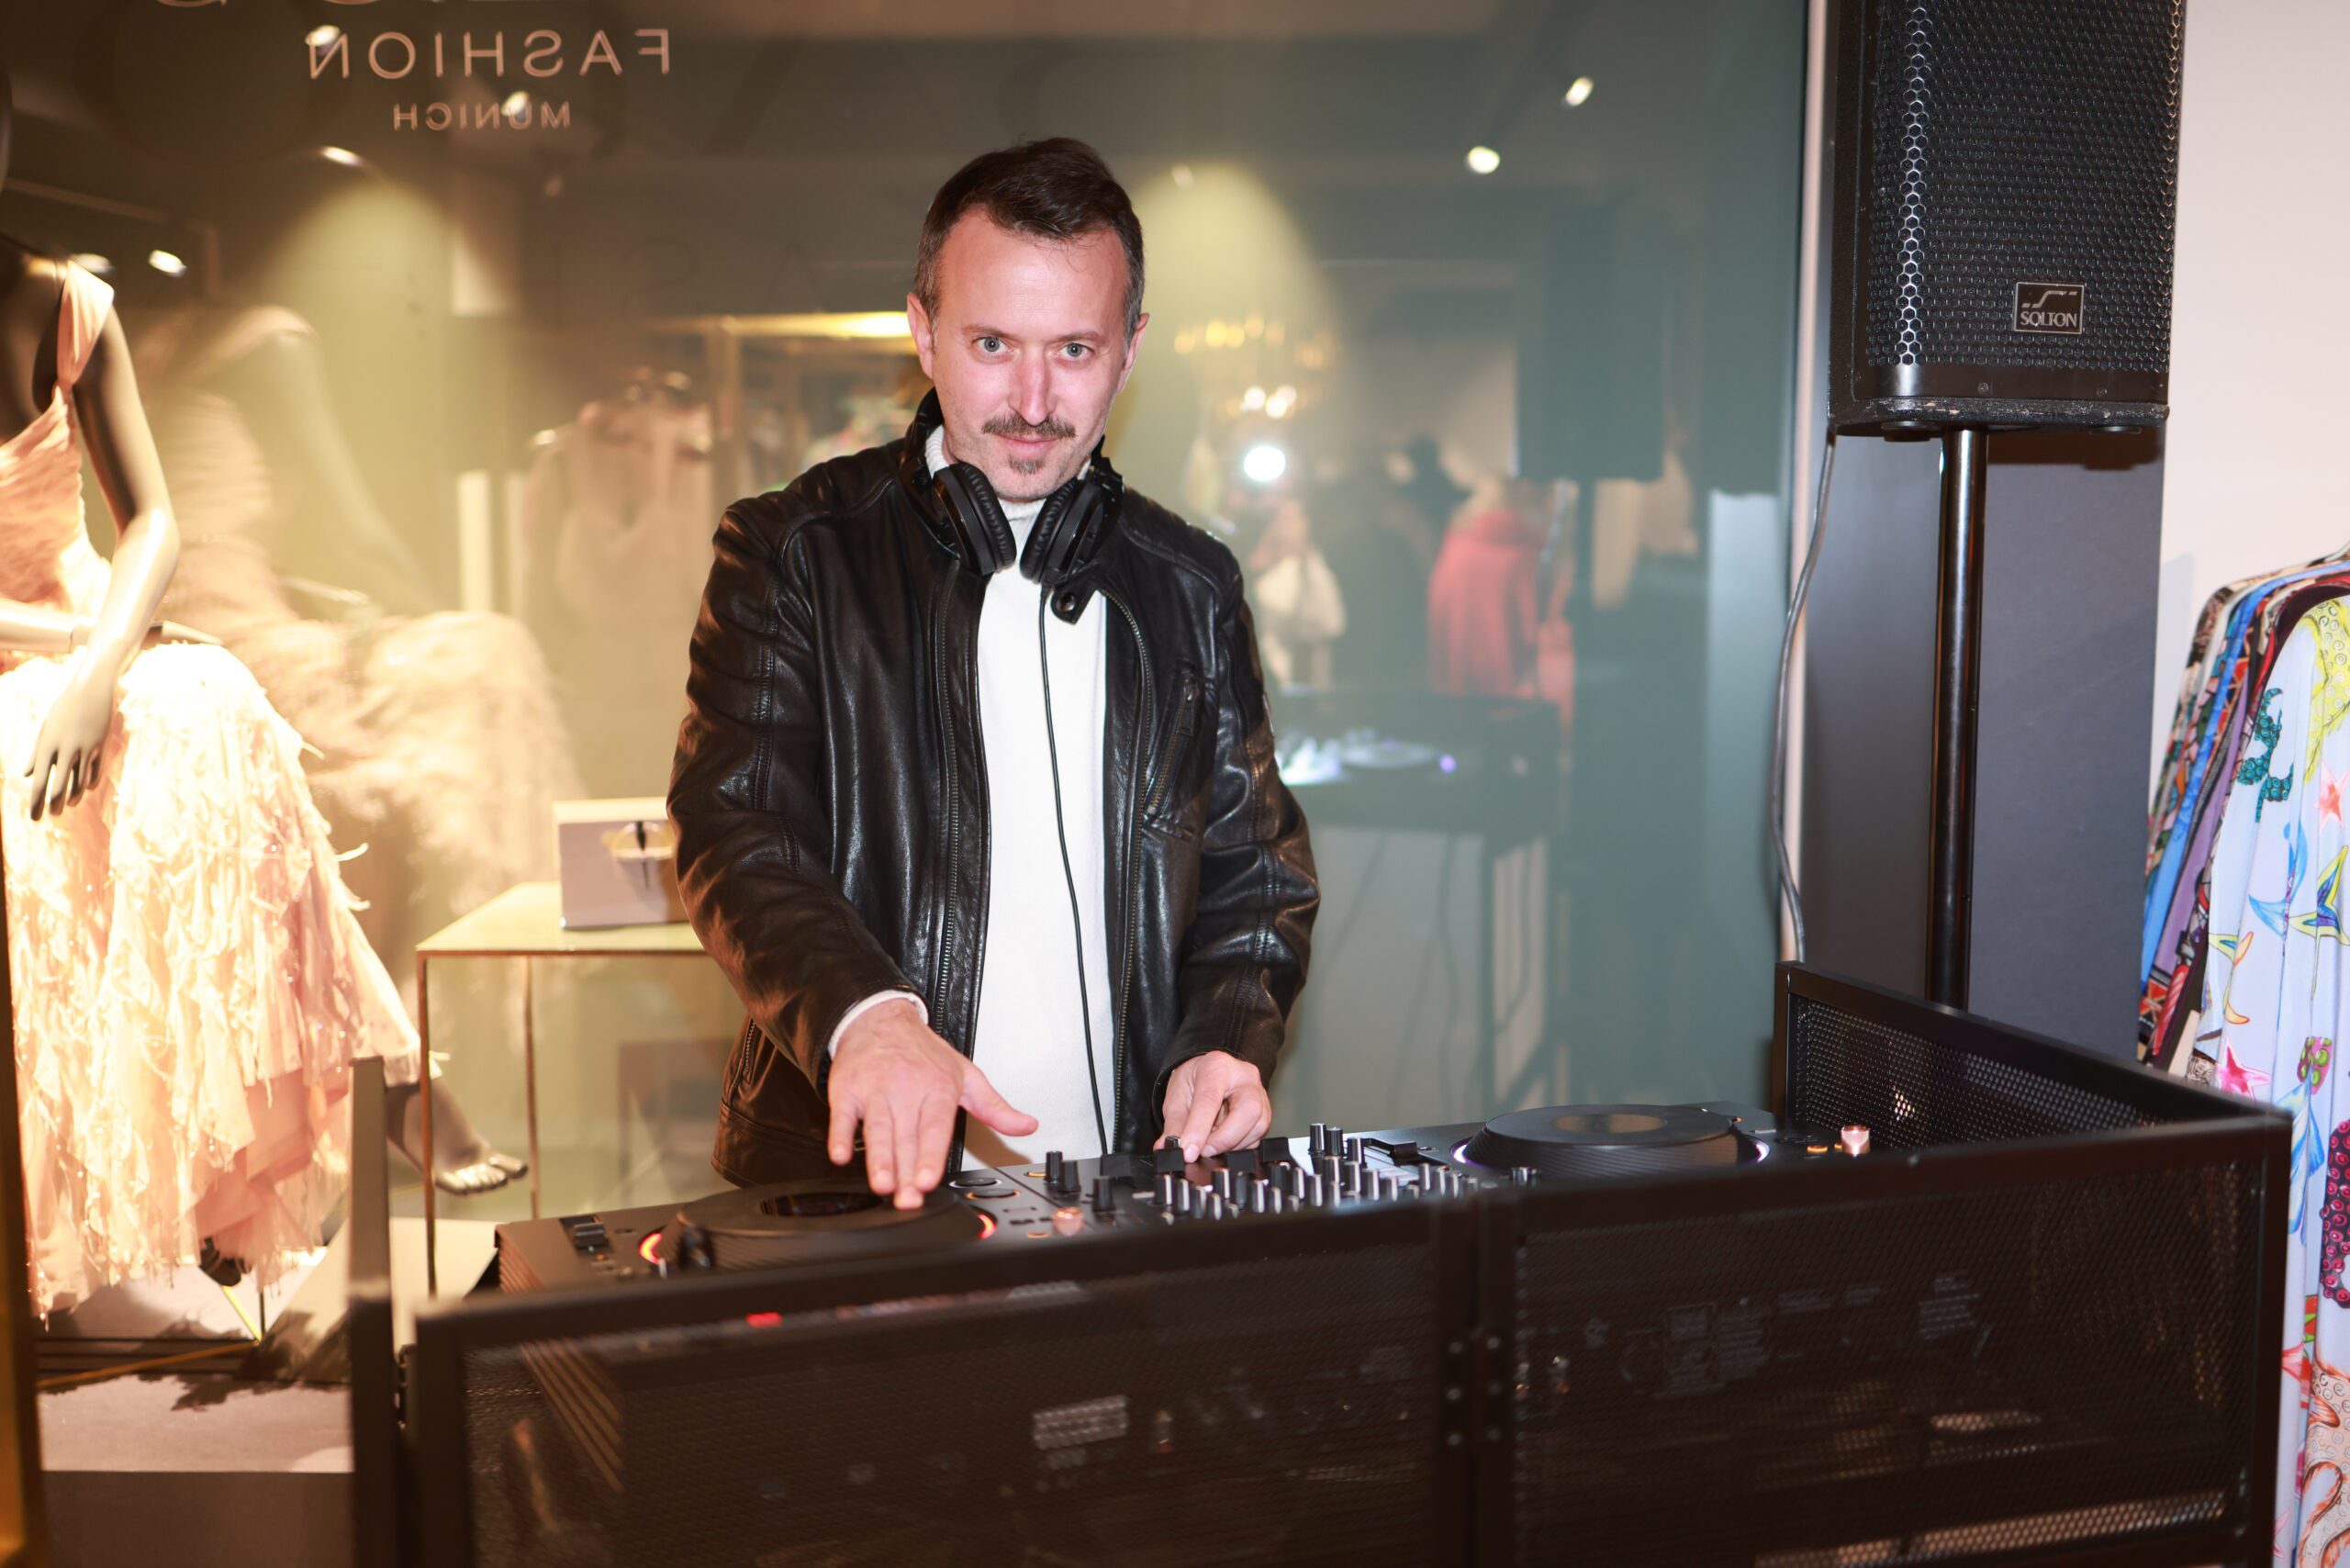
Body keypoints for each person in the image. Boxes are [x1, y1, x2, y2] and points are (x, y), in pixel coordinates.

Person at [671, 139, 1319, 1205]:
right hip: (854, 1189)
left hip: (1129, 1185)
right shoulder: (792, 553)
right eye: (990, 344)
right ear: (922, 332)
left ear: (1129, 349)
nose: (1031, 398)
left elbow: (1255, 867)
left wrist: (1225, 1033)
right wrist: (866, 1014)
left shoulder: (1192, 585)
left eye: (1074, 349)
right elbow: (736, 828)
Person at [0, 239, 425, 1312]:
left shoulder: (68, 304)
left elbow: (151, 518)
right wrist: (78, 646)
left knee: (210, 702)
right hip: (35, 643)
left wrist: (104, 655)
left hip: (89, 632)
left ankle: (221, 1152)